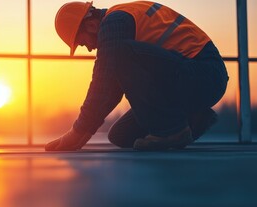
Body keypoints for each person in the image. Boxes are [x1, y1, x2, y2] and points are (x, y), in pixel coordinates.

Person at [45, 1, 228, 151]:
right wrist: (85, 132)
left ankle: (170, 130)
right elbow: (110, 90)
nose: (90, 48)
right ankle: (194, 118)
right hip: (189, 80)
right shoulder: (122, 20)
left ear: (91, 25)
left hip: (203, 74)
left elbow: (102, 83)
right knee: (120, 135)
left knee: (119, 52)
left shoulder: (114, 23)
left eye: (83, 43)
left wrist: (78, 132)